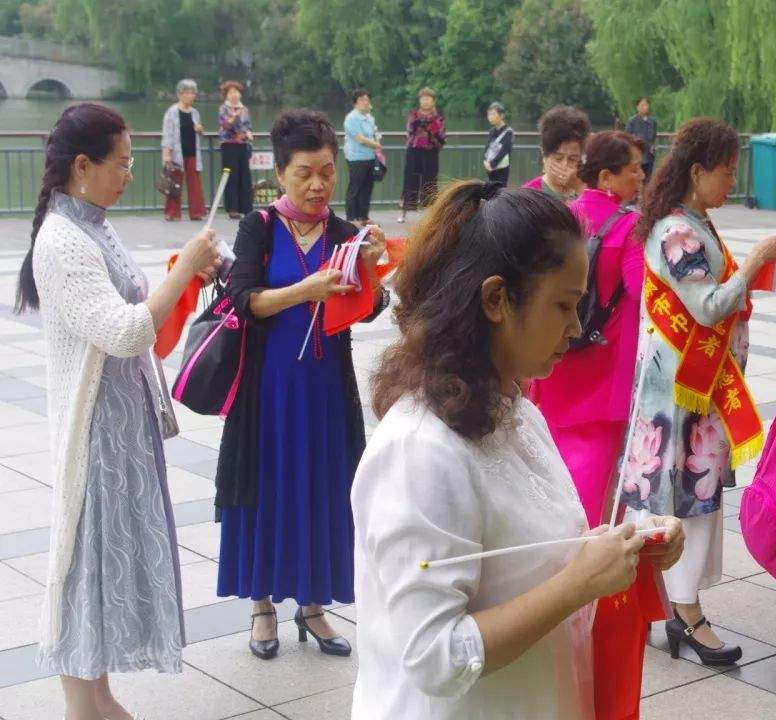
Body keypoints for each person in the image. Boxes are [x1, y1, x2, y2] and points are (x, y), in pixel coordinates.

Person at [353, 180, 685, 719]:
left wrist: (621, 546)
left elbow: (530, 553)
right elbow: (434, 656)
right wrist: (580, 584)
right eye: (563, 305)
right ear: (496, 300)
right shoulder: (421, 451)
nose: (577, 328)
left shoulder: (516, 410)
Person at [18, 103, 219, 720]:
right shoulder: (62, 241)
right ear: (83, 166)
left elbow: (136, 308)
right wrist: (183, 266)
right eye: (122, 163)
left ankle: (97, 702)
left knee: (100, 573)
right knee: (87, 568)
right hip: (97, 436)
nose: (130, 174)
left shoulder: (91, 224)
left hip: (122, 430)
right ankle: (90, 705)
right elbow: (128, 331)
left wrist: (193, 274)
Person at [215, 109, 389, 661]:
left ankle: (314, 607)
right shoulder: (260, 228)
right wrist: (305, 290)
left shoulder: (344, 233)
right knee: (267, 487)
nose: (318, 185)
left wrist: (371, 269)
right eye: (304, 173)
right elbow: (245, 300)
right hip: (268, 390)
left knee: (321, 488)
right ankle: (261, 605)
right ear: (281, 174)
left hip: (325, 391)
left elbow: (366, 310)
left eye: (328, 172)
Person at [620, 118, 776, 666]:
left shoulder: (695, 222)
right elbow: (707, 306)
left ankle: (664, 604)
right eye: (726, 171)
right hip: (682, 391)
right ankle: (684, 611)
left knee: (685, 490)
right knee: (681, 494)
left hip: (695, 388)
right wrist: (758, 259)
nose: (731, 181)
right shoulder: (676, 231)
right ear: (697, 171)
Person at [530, 130, 647, 526]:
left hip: (560, 355)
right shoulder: (630, 226)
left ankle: (548, 545)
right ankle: (584, 562)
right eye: (633, 170)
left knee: (555, 460)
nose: (641, 177)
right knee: (593, 479)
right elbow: (639, 287)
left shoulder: (564, 214)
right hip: (605, 367)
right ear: (606, 178)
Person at [161, 78, 208, 221]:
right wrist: (167, 154)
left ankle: (197, 212)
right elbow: (168, 133)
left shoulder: (195, 112)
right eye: (187, 93)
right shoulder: (172, 112)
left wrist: (199, 130)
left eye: (193, 93)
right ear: (180, 94)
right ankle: (172, 212)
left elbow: (197, 129)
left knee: (195, 184)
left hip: (193, 152)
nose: (190, 96)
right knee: (175, 183)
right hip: (177, 153)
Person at [523, 105, 591, 201]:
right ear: (544, 154)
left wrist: (579, 188)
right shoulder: (527, 196)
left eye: (572, 159)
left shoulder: (587, 191)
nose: (564, 165)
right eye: (558, 158)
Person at [399, 87, 445, 223]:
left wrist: (430, 131)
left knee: (430, 181)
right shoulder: (414, 115)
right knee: (410, 180)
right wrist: (416, 125)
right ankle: (404, 211)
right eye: (422, 98)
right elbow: (409, 131)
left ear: (433, 100)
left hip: (430, 152)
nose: (425, 101)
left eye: (428, 98)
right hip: (414, 151)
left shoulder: (438, 118)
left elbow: (441, 137)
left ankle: (430, 213)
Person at [344, 87, 382, 225]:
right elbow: (360, 139)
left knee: (367, 187)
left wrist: (377, 142)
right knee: (355, 187)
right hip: (356, 158)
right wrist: (376, 145)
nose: (365, 102)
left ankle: (364, 216)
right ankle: (351, 218)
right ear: (355, 103)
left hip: (370, 157)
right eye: (361, 99)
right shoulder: (351, 118)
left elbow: (374, 134)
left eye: (367, 99)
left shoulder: (369, 118)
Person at [218, 81, 254, 219]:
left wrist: (249, 133)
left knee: (245, 176)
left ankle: (246, 208)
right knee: (231, 177)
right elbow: (225, 125)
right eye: (231, 92)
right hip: (229, 145)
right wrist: (234, 117)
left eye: (236, 92)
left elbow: (248, 126)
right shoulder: (224, 109)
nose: (234, 95)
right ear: (226, 95)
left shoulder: (244, 109)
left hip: (242, 145)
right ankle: (232, 208)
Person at [625, 97, 658, 181]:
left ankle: (645, 194)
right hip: (636, 155)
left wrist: (653, 146)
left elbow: (654, 137)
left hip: (649, 155)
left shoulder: (653, 121)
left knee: (648, 179)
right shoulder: (632, 121)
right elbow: (626, 138)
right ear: (637, 107)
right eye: (642, 105)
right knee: (636, 179)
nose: (645, 107)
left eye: (646, 105)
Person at [483, 101, 514, 187]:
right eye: (489, 114)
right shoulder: (492, 131)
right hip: (490, 168)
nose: (490, 117)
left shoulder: (508, 132)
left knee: (501, 193)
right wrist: (485, 161)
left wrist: (491, 165)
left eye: (493, 114)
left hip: (501, 169)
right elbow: (487, 148)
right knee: (490, 193)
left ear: (502, 115)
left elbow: (504, 151)